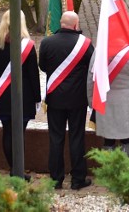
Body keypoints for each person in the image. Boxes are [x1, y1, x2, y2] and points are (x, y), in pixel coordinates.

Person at [38, 11, 94, 190]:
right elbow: (91, 68)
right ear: (76, 25)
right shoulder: (85, 44)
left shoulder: (46, 42)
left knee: (56, 138)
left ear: (61, 24)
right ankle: (78, 179)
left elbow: (43, 66)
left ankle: (56, 179)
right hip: (78, 100)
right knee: (77, 137)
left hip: (55, 98)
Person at [0, 10, 41, 179]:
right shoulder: (27, 45)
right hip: (23, 95)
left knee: (7, 132)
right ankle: (18, 171)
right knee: (19, 134)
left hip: (3, 96)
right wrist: (37, 97)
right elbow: (34, 75)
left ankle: (13, 169)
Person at [87, 38, 129, 158]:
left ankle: (109, 169)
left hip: (105, 101)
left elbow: (91, 78)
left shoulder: (99, 52)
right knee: (127, 138)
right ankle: (125, 169)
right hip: (126, 103)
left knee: (108, 138)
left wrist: (91, 102)